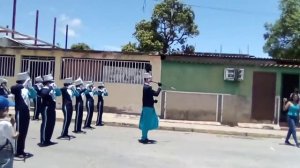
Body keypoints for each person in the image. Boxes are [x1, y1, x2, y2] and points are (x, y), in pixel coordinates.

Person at [10, 72, 37, 158]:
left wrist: (31, 87)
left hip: (26, 112)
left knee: (24, 132)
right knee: (19, 131)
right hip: (20, 112)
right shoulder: (17, 88)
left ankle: (21, 150)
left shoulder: (26, 89)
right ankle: (17, 152)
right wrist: (25, 83)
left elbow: (33, 95)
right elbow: (14, 88)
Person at [138, 72, 162, 144]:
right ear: (147, 79)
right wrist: (159, 87)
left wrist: (153, 101)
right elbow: (156, 94)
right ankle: (144, 138)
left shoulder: (145, 87)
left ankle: (144, 137)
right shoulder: (148, 88)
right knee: (147, 122)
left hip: (147, 107)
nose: (151, 80)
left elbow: (147, 97)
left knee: (147, 122)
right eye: (150, 79)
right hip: (148, 108)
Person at [39, 74, 61, 146]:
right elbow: (43, 94)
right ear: (47, 82)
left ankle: (48, 139)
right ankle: (43, 140)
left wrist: (56, 88)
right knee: (45, 123)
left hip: (52, 108)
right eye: (51, 82)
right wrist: (50, 88)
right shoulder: (44, 88)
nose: (52, 83)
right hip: (46, 108)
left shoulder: (52, 89)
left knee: (51, 124)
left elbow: (59, 94)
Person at [0, 96, 18, 168]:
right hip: (4, 150)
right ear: (5, 109)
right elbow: (14, 136)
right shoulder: (6, 124)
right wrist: (14, 126)